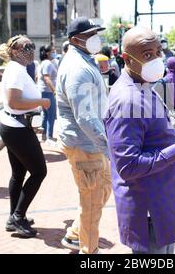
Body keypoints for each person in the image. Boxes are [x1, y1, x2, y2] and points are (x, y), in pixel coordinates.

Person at [104, 26, 175, 254]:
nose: (156, 59)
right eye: (147, 54)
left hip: (161, 205)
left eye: (158, 52)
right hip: (149, 213)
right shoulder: (127, 100)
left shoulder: (145, 86)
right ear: (127, 58)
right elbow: (128, 165)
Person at [56, 17, 112, 254]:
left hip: (92, 143)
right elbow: (86, 118)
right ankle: (89, 251)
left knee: (103, 189)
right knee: (91, 204)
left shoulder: (84, 60)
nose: (94, 38)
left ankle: (76, 234)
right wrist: (109, 147)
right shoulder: (78, 69)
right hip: (85, 144)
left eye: (95, 34)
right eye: (90, 35)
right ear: (74, 40)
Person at [0, 35, 51, 238]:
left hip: (16, 125)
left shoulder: (18, 69)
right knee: (39, 171)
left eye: (32, 46)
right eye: (25, 47)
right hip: (16, 128)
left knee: (18, 174)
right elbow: (14, 102)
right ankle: (18, 217)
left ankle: (14, 217)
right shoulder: (15, 71)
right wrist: (41, 102)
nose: (30, 50)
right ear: (14, 51)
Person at [37, 45, 58, 144]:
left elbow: (37, 77)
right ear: (48, 53)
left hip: (43, 91)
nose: (54, 52)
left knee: (45, 115)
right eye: (53, 51)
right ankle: (49, 136)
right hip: (48, 92)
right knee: (51, 115)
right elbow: (47, 78)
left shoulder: (43, 63)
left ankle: (44, 136)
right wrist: (54, 91)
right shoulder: (48, 64)